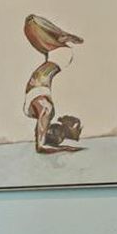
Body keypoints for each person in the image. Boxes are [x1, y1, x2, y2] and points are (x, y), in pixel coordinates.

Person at [22, 14, 84, 154]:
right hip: (40, 85)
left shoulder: (46, 109)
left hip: (39, 85)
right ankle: (58, 35)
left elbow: (41, 147)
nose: (77, 127)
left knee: (31, 22)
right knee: (32, 22)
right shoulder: (47, 108)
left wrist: (65, 148)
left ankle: (57, 34)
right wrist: (66, 148)